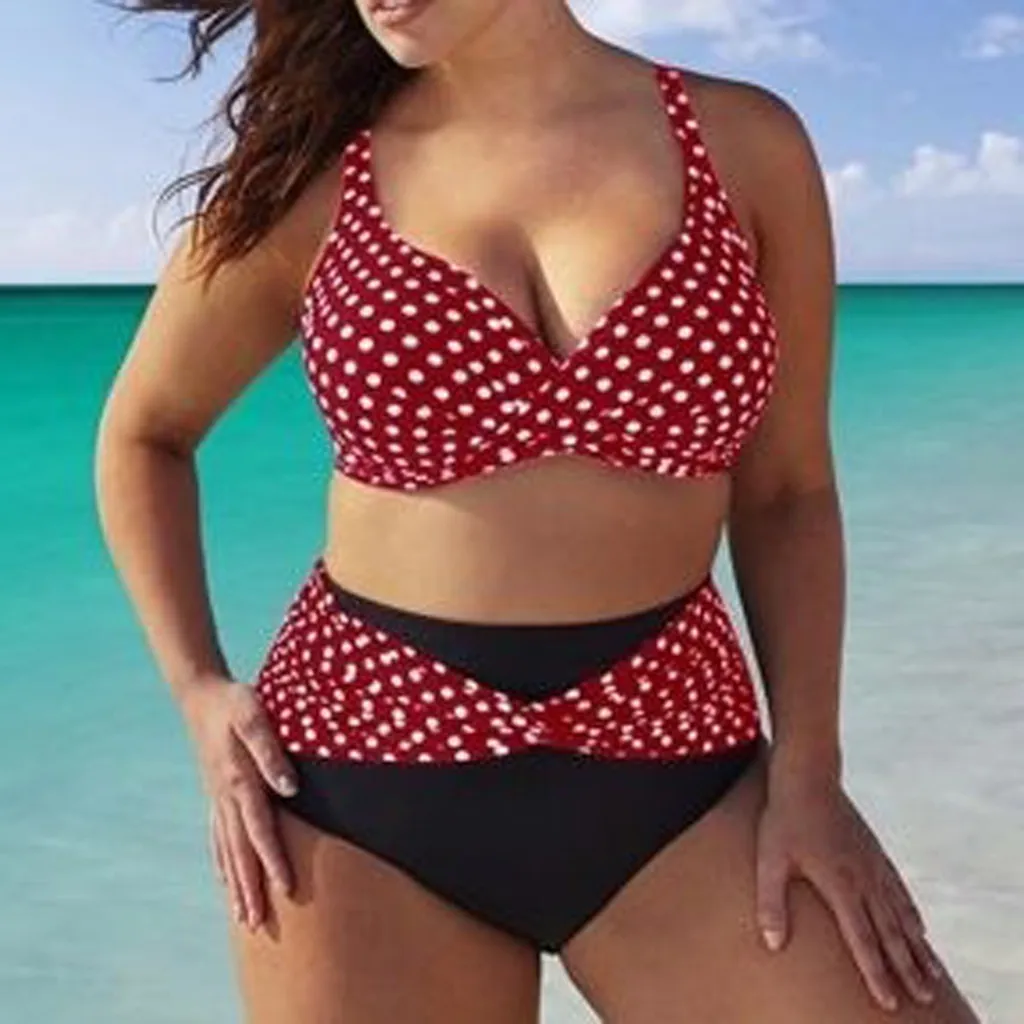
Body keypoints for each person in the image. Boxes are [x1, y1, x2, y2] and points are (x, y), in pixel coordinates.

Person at [94, 1, 983, 1021]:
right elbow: (144, 434)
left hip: (675, 759)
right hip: (357, 784)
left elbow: (788, 490)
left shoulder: (744, 145)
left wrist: (810, 769)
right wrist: (199, 689)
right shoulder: (314, 175)